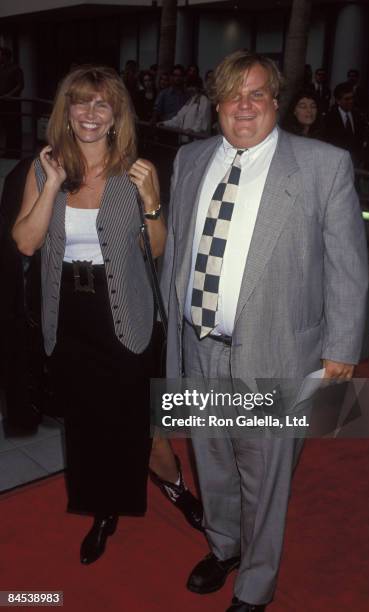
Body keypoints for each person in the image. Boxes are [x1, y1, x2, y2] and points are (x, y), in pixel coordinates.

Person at [161, 50, 368, 611]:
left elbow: (347, 263)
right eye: (233, 94)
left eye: (257, 94)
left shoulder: (323, 165)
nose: (244, 105)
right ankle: (225, 545)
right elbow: (178, 252)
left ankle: (256, 584)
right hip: (199, 347)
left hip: (278, 352)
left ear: (276, 103)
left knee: (265, 478)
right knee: (213, 461)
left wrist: (341, 349)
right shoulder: (191, 161)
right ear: (216, 105)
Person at [11, 65, 199, 566]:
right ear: (65, 111)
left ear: (116, 114)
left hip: (125, 315)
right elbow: (25, 242)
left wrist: (154, 204)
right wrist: (51, 184)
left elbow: (157, 252)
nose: (90, 114)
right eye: (80, 102)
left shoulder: (137, 170)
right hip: (69, 316)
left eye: (101, 104)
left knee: (139, 425)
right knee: (87, 426)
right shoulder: (41, 168)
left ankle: (176, 485)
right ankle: (103, 510)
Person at [325, 81, 365, 164]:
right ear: (338, 100)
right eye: (347, 99)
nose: (351, 101)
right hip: (336, 161)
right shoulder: (329, 118)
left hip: (355, 161)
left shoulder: (358, 116)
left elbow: (360, 139)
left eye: (352, 98)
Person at [0, 47, 24, 158]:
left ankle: (15, 152)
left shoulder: (16, 69)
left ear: (5, 56)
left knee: (13, 127)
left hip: (12, 103)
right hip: (3, 103)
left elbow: (20, 85)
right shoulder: (2, 69)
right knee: (5, 126)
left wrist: (9, 95)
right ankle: (7, 151)